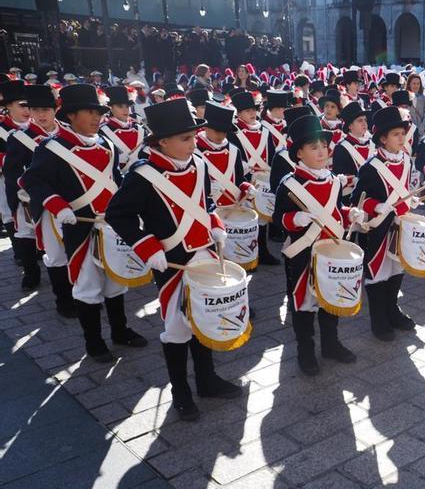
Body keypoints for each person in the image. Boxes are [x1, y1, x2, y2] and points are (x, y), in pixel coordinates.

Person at [105, 98, 242, 421]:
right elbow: (118, 214)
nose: (193, 143)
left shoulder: (201, 164)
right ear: (161, 141)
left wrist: (216, 225)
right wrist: (147, 246)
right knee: (178, 328)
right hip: (171, 263)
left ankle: (207, 380)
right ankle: (180, 390)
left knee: (204, 318)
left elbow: (206, 203)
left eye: (194, 137)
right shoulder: (143, 174)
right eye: (185, 139)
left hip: (205, 255)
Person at [23, 84, 145, 363]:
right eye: (89, 112)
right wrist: (57, 205)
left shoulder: (107, 145)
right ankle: (94, 342)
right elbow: (33, 181)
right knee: (88, 285)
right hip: (80, 227)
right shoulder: (52, 148)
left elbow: (116, 182)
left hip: (110, 226)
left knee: (116, 281)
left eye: (98, 112)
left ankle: (120, 330)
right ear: (71, 115)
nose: (96, 118)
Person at [273, 115, 363, 375]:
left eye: (323, 145)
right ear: (299, 153)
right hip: (302, 252)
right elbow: (279, 220)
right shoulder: (289, 184)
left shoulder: (334, 180)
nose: (321, 151)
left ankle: (331, 343)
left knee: (330, 297)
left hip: (330, 251)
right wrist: (295, 218)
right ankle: (305, 349)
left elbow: (334, 212)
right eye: (313, 147)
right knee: (303, 303)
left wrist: (350, 214)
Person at [3, 84, 76, 318]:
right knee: (55, 255)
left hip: (74, 204)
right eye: (35, 109)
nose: (41, 115)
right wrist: (18, 203)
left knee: (77, 251)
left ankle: (80, 294)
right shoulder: (20, 139)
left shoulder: (69, 133)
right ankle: (63, 301)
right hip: (42, 205)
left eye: (46, 109)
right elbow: (13, 175)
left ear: (55, 110)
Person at [351, 106, 421, 341]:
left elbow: (406, 191)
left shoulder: (406, 161)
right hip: (377, 229)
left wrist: (412, 198)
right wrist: (376, 205)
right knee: (377, 273)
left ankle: (393, 310)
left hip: (400, 225)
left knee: (397, 268)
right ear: (383, 138)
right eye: (396, 135)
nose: (402, 139)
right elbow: (357, 200)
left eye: (403, 133)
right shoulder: (370, 167)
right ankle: (378, 318)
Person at [229, 90, 280, 264]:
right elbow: (233, 159)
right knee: (248, 219)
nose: (252, 113)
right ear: (239, 113)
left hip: (264, 180)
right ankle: (245, 253)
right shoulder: (233, 132)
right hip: (246, 180)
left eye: (254, 109)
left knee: (263, 220)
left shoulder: (264, 130)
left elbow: (272, 155)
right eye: (247, 111)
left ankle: (263, 250)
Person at [0, 80, 30, 250]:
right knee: (9, 212)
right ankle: (19, 249)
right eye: (21, 105)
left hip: (36, 180)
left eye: (28, 106)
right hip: (6, 179)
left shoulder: (38, 127)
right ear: (9, 106)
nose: (27, 110)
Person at [331, 101, 374, 203]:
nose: (364, 123)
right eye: (360, 120)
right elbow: (339, 176)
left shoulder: (373, 144)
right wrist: (355, 180)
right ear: (350, 126)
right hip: (352, 198)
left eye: (365, 120)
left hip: (373, 196)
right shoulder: (341, 147)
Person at [99, 86, 145, 173]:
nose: (125, 110)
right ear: (110, 108)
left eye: (127, 106)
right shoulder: (102, 131)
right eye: (120, 106)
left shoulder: (140, 128)